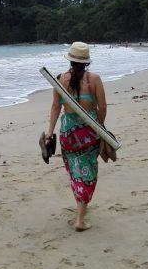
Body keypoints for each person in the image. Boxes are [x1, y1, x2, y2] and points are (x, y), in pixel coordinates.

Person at [44, 42, 108, 231]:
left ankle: (80, 207)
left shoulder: (59, 79)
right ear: (86, 62)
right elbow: (103, 107)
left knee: (75, 169)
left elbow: (56, 107)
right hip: (89, 132)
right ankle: (80, 218)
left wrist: (50, 132)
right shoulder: (95, 79)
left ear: (70, 60)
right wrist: (99, 126)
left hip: (68, 132)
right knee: (88, 169)